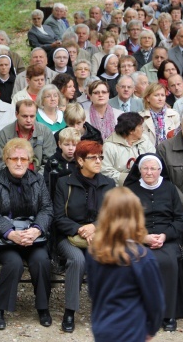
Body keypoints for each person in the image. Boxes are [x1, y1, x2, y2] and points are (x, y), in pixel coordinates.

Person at [0, 138, 53, 329]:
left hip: (32, 237)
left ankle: (43, 307)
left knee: (41, 261)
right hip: (5, 239)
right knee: (13, 264)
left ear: (30, 160)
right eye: (14, 158)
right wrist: (9, 232)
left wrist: (37, 229)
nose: (19, 162)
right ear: (6, 160)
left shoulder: (37, 179)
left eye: (23, 158)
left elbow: (46, 208)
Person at [84, 187, 164, 342]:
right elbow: (156, 303)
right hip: (131, 330)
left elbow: (93, 293)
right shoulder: (142, 257)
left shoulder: (94, 252)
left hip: (102, 327)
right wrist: (151, 329)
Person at [53, 140, 115, 332]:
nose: (98, 161)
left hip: (99, 236)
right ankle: (70, 311)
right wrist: (80, 229)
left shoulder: (108, 183)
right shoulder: (64, 183)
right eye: (93, 157)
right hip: (69, 236)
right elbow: (58, 217)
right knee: (77, 260)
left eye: (101, 157)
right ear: (80, 161)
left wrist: (94, 227)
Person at [124, 155, 183, 331]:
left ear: (160, 171)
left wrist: (165, 236)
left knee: (167, 262)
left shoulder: (170, 189)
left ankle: (167, 314)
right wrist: (142, 237)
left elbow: (180, 220)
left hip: (166, 239)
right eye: (145, 169)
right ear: (139, 170)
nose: (149, 172)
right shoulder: (130, 190)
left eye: (153, 169)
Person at [0, 100, 56, 173]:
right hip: (11, 180)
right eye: (25, 116)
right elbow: (0, 163)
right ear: (16, 114)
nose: (29, 120)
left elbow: (50, 161)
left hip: (38, 179)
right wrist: (15, 178)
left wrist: (36, 179)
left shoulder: (45, 132)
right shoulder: (4, 134)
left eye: (32, 116)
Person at [102, 112, 155, 186]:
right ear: (131, 131)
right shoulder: (109, 146)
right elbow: (105, 171)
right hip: (119, 189)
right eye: (140, 126)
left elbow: (154, 160)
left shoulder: (145, 139)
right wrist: (129, 178)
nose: (143, 129)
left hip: (146, 185)